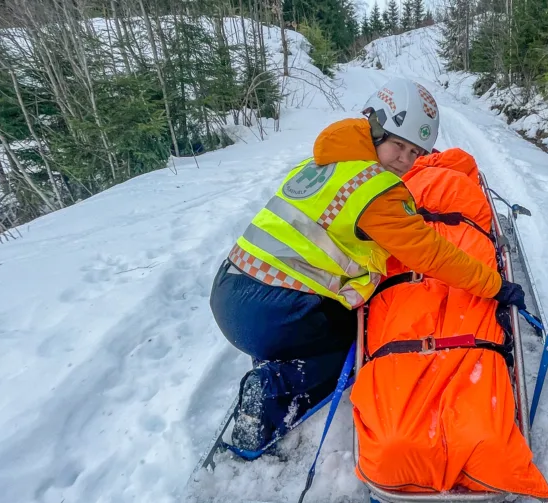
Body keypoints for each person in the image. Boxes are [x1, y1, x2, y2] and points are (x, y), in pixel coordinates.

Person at [209, 78, 526, 452]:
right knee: (358, 339)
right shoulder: (376, 189)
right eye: (398, 146)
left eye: (415, 153)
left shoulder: (323, 164)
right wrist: (495, 286)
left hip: (230, 292)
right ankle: (278, 386)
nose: (405, 161)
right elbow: (432, 254)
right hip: (275, 312)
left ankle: (277, 357)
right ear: (374, 128)